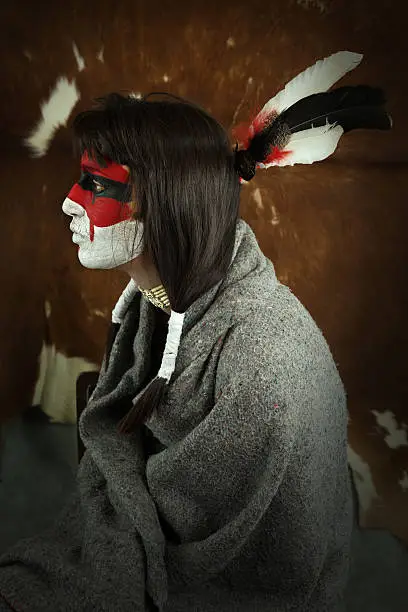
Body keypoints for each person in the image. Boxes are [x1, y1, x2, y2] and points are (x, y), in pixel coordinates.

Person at [0, 51, 391, 611]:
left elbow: (256, 569)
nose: (69, 202)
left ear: (168, 204)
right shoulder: (151, 301)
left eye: (97, 186)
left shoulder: (269, 361)